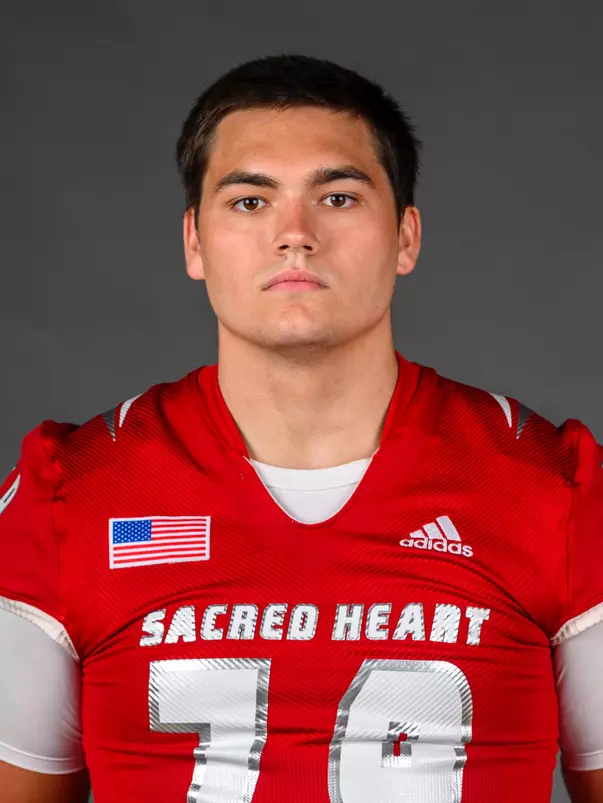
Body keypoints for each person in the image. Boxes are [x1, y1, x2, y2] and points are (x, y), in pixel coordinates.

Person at [0, 53, 602, 803]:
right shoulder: (71, 493)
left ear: (405, 236)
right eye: (250, 202)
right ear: (194, 242)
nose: (295, 235)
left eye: (339, 197)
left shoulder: (552, 487)